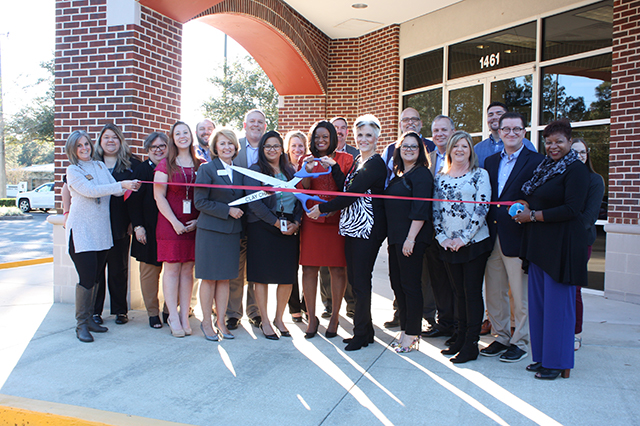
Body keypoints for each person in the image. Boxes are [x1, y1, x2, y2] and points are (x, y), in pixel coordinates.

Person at [513, 119, 589, 380]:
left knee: (558, 309)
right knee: (539, 307)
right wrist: (524, 204)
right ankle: (543, 357)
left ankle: (558, 362)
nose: (553, 146)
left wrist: (532, 215)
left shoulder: (576, 170)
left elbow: (571, 209)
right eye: (548, 142)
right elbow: (531, 195)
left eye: (559, 141)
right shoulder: (545, 167)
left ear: (569, 142)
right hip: (538, 247)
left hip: (561, 248)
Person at [307, 114, 387, 351]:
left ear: (376, 138)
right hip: (353, 228)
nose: (363, 139)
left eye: (368, 135)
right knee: (356, 280)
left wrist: (322, 208)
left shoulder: (375, 163)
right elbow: (347, 186)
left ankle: (361, 334)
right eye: (360, 134)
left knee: (360, 282)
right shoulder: (358, 162)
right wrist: (334, 168)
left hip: (367, 230)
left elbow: (350, 195)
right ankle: (367, 331)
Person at [64, 130, 139, 342]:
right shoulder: (72, 170)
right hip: (82, 232)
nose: (84, 148)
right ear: (72, 149)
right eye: (79, 146)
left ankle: (89, 320)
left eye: (86, 144)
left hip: (101, 231)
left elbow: (114, 192)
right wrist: (120, 185)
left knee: (96, 278)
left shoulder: (98, 165)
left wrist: (129, 185)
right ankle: (81, 325)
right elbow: (91, 190)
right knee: (87, 278)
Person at [481, 112, 544, 362]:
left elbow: (538, 196)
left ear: (524, 132)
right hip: (492, 234)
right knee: (494, 292)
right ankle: (501, 336)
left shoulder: (536, 161)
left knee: (520, 295)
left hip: (518, 235)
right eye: (506, 129)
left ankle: (521, 341)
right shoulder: (490, 161)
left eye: (516, 129)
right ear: (499, 131)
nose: (510, 133)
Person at [433, 130, 492, 364]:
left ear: (470, 151)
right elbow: (435, 210)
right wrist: (442, 238)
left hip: (473, 244)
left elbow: (482, 208)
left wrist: (464, 238)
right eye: (455, 146)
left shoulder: (480, 175)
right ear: (449, 150)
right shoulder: (440, 177)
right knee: (457, 293)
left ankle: (471, 344)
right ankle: (458, 337)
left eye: (464, 146)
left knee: (471, 293)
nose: (459, 150)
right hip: (448, 244)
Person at [244, 131, 302, 340]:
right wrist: (276, 222)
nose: (272, 149)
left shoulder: (290, 170)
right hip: (263, 226)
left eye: (276, 146)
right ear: (262, 149)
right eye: (267, 146)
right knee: (262, 276)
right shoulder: (255, 170)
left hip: (289, 228)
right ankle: (265, 321)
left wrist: (296, 222)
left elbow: (299, 199)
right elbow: (253, 202)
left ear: (282, 148)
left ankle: (279, 318)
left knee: (286, 276)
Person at [382, 107, 436, 330]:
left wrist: (411, 238)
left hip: (410, 240)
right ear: (399, 150)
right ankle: (405, 329)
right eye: (405, 146)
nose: (410, 150)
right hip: (396, 239)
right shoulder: (398, 175)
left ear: (421, 150)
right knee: (398, 285)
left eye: (414, 146)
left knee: (411, 286)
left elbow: (421, 209)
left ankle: (412, 335)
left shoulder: (422, 173)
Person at [298, 121, 352, 339]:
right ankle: (311, 318)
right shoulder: (307, 160)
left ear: (332, 137)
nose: (321, 141)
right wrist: (307, 172)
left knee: (338, 269)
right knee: (309, 269)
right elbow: (302, 189)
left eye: (325, 137)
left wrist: (330, 210)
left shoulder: (346, 159)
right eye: (317, 137)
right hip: (312, 220)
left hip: (336, 219)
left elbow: (347, 189)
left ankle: (335, 317)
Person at [194, 128, 244, 341]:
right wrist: (227, 211)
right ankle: (206, 323)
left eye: (230, 143)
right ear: (215, 147)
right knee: (209, 279)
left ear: (235, 147)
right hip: (211, 232)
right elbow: (200, 201)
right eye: (222, 143)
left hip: (232, 233)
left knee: (224, 280)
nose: (227, 147)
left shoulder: (240, 171)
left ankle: (221, 322)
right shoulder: (207, 169)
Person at [154, 121, 200, 338]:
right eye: (178, 133)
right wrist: (174, 222)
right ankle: (172, 315)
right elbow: (158, 196)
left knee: (187, 270)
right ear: (172, 138)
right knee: (172, 269)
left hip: (193, 224)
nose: (182, 136)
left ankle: (184, 316)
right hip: (170, 224)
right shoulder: (165, 164)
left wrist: (198, 221)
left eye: (186, 133)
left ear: (191, 136)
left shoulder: (200, 164)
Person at [92, 123, 141, 326]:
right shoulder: (91, 164)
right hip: (95, 225)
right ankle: (95, 312)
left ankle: (120, 310)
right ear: (100, 142)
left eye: (115, 137)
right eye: (106, 137)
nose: (110, 141)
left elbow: (137, 197)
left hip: (120, 224)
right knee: (96, 271)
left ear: (120, 141)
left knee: (118, 269)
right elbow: (68, 184)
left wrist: (134, 222)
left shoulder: (131, 165)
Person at [227, 109, 267, 330]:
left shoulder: (271, 147)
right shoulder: (234, 148)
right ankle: (232, 313)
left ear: (264, 125)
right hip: (237, 215)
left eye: (260, 122)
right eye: (252, 121)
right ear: (244, 125)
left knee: (256, 267)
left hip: (261, 217)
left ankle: (256, 311)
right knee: (236, 266)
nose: (256, 125)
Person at [127, 132, 170, 329]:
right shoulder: (141, 170)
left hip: (170, 228)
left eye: (162, 146)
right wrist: (138, 226)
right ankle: (153, 313)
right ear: (148, 150)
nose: (159, 150)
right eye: (154, 147)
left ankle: (170, 310)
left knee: (173, 272)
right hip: (147, 229)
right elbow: (133, 203)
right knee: (149, 274)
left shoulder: (173, 168)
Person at [420, 115, 457, 340]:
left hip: (456, 230)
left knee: (456, 281)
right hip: (433, 230)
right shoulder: (428, 159)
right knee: (438, 281)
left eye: (444, 130)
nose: (440, 134)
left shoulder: (462, 155)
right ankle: (444, 323)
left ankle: (458, 325)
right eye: (436, 131)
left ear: (452, 131)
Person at [319, 117, 359, 320]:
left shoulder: (353, 155)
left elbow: (349, 188)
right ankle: (328, 304)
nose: (340, 131)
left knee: (342, 264)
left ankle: (351, 304)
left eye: (344, 128)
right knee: (324, 268)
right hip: (320, 217)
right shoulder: (316, 156)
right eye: (337, 128)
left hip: (342, 217)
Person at [571, 138, 605, 351]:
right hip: (559, 243)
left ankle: (575, 334)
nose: (580, 156)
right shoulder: (563, 178)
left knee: (574, 289)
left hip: (580, 242)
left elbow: (588, 217)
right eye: (575, 152)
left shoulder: (595, 180)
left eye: (583, 152)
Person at [284, 131, 308, 323]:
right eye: (294, 146)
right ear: (288, 148)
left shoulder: (309, 166)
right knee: (291, 266)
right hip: (288, 220)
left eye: (301, 146)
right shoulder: (283, 168)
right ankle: (294, 307)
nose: (297, 149)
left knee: (308, 266)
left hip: (307, 219)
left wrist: (300, 220)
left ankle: (307, 304)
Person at [474, 102, 536, 168]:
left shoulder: (525, 144)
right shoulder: (477, 149)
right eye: (490, 115)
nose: (494, 117)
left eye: (499, 114)